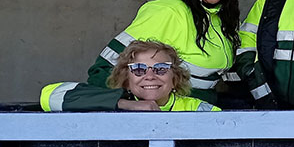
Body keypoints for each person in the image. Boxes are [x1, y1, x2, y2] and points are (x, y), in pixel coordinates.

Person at [86, 0, 240, 106]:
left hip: (203, 101)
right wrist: (121, 103)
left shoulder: (221, 18)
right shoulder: (168, 10)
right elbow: (107, 64)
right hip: (168, 106)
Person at [42, 40, 218, 111]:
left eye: (161, 68)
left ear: (175, 78)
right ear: (127, 79)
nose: (150, 76)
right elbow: (49, 96)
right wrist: (124, 104)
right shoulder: (112, 102)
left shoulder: (197, 109)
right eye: (139, 69)